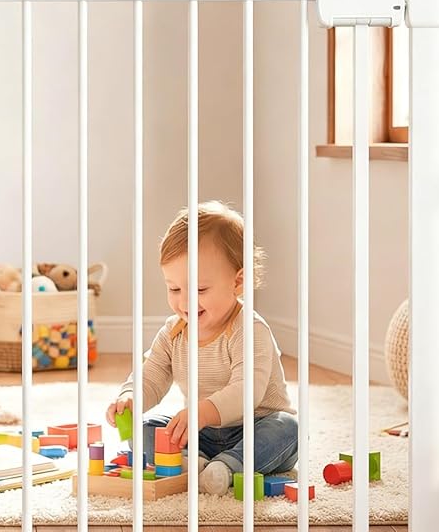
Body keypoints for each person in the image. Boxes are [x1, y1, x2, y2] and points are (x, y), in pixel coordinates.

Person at [105, 200, 298, 495]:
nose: (184, 302)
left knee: (288, 429)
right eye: (174, 288)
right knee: (148, 430)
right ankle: (191, 462)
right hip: (201, 431)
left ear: (238, 281)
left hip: (255, 426)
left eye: (199, 290)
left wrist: (204, 411)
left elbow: (248, 389)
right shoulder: (174, 331)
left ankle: (228, 466)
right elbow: (152, 373)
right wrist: (131, 396)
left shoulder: (249, 328)